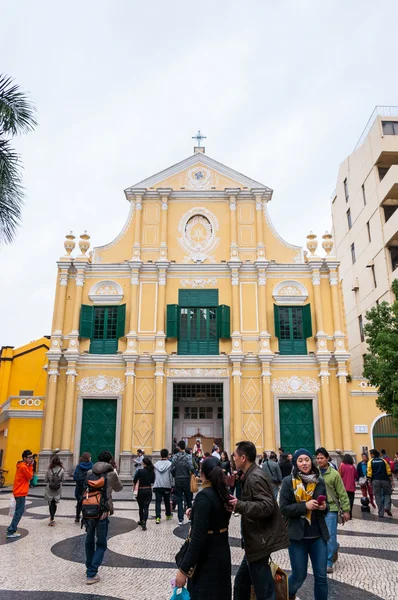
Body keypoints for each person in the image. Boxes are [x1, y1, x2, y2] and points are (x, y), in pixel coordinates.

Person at [229, 441, 289, 600]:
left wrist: (239, 505)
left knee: (264, 589)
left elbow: (267, 506)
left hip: (259, 541)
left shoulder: (255, 477)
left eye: (235, 455)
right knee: (242, 584)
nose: (233, 458)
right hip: (255, 540)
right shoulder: (251, 474)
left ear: (243, 457)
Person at [174, 457, 232, 600]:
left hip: (207, 559)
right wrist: (196, 514)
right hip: (222, 553)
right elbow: (216, 516)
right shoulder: (224, 493)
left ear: (203, 474)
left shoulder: (203, 496)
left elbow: (197, 538)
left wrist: (184, 569)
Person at [280, 448, 329, 600]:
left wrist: (323, 507)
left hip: (318, 535)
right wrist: (304, 507)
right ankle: (287, 594)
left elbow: (325, 507)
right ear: (295, 463)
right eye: (300, 460)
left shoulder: (319, 481)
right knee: (299, 575)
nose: (304, 463)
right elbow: (283, 508)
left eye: (307, 460)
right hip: (297, 537)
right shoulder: (288, 482)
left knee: (321, 576)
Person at [84, 451, 123, 584]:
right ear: (110, 461)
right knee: (101, 543)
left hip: (89, 510)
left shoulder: (89, 473)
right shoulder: (111, 474)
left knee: (89, 539)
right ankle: (92, 573)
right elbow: (119, 488)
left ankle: (89, 567)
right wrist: (115, 473)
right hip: (102, 511)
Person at [315, 447, 350, 574]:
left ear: (327, 458)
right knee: (319, 535)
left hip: (332, 508)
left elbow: (342, 492)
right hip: (318, 507)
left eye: (322, 458)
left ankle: (328, 562)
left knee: (330, 535)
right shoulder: (314, 473)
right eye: (317, 458)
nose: (319, 460)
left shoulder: (334, 474)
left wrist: (346, 509)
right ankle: (334, 547)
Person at [6, 449, 34, 538]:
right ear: (24, 458)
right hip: (20, 492)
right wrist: (31, 466)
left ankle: (12, 528)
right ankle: (11, 530)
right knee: (19, 512)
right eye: (29, 457)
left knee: (19, 511)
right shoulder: (24, 467)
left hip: (19, 491)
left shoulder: (22, 465)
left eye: (31, 457)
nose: (31, 459)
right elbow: (30, 476)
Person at [171, 440, 195, 525]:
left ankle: (180, 519)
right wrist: (193, 473)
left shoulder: (175, 456)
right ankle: (190, 517)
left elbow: (172, 468)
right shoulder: (188, 456)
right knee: (188, 499)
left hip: (178, 480)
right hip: (186, 479)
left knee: (179, 499)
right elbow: (191, 467)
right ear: (185, 446)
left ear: (178, 447)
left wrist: (175, 475)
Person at [367, 448, 394, 517]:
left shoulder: (371, 461)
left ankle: (381, 512)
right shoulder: (383, 460)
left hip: (375, 480)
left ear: (372, 454)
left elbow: (369, 472)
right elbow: (388, 471)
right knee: (387, 494)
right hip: (385, 480)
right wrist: (392, 481)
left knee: (377, 496)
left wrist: (369, 481)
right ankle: (386, 507)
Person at [133, 456, 155, 530]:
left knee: (141, 507)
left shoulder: (140, 471)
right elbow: (152, 481)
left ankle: (141, 520)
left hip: (141, 490)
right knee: (146, 508)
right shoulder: (152, 471)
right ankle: (144, 522)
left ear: (144, 464)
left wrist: (134, 489)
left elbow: (134, 480)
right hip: (148, 490)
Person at [153, 448, 173, 524]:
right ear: (167, 455)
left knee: (157, 502)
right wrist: (171, 485)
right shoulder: (170, 464)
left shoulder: (156, 464)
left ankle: (158, 517)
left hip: (157, 485)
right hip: (166, 485)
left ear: (160, 455)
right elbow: (170, 476)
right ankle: (168, 515)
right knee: (167, 501)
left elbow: (155, 475)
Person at [44, 455, 65, 526]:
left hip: (50, 488)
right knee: (54, 503)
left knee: (50, 502)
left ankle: (51, 517)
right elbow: (63, 480)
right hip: (57, 488)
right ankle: (53, 517)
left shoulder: (49, 470)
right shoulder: (61, 470)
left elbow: (45, 480)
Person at [73, 452, 93, 523]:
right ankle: (85, 517)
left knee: (79, 502)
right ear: (88, 458)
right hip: (88, 487)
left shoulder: (79, 466)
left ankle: (77, 517)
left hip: (79, 487)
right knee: (87, 502)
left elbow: (75, 477)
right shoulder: (92, 466)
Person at [338, 454, 358, 518]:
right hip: (351, 486)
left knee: (344, 500)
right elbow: (356, 476)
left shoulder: (342, 465)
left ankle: (345, 513)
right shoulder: (352, 467)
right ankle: (350, 513)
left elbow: (339, 475)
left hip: (344, 486)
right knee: (351, 500)